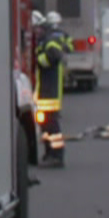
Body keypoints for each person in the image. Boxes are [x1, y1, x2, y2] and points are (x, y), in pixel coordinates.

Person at [34, 13, 70, 163]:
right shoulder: (44, 40)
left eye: (36, 28)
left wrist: (38, 61)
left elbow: (54, 56)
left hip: (50, 92)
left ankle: (57, 155)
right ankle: (50, 153)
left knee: (52, 126)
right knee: (45, 126)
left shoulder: (50, 40)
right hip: (45, 91)